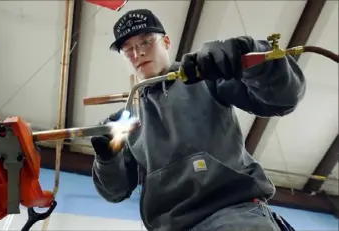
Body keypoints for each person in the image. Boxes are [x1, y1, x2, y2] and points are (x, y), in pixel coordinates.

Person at [91, 8, 304, 231]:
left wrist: (248, 56)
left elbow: (282, 99)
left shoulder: (204, 77)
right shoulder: (127, 120)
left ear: (166, 41)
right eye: (128, 50)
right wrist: (107, 158)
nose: (137, 54)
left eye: (145, 42)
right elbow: (114, 191)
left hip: (233, 215)